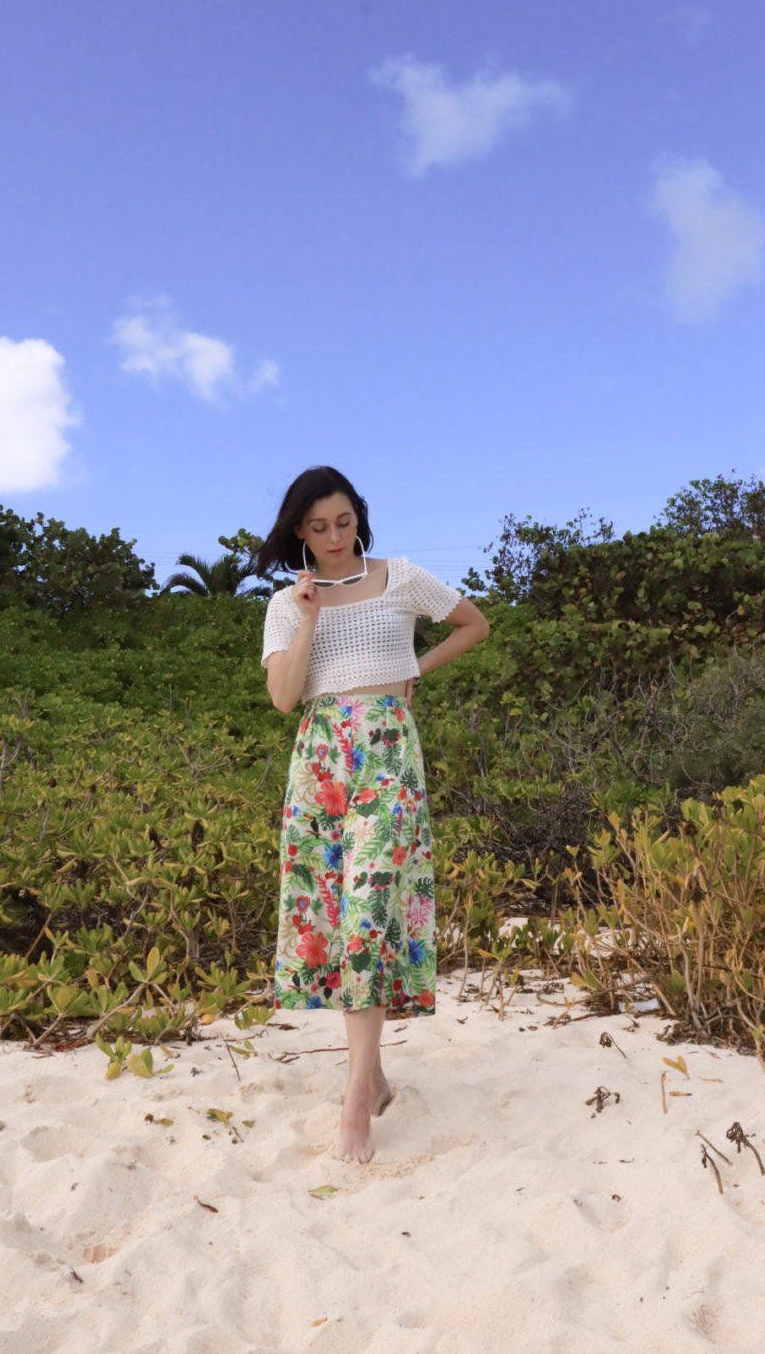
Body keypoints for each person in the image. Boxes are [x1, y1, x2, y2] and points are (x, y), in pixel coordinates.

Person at [255, 466, 490, 1162]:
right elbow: (284, 698)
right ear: (299, 531)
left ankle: (356, 1095)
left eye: (344, 522)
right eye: (318, 527)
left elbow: (474, 624)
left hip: (388, 753)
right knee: (335, 915)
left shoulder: (402, 577)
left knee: (370, 909)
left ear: (358, 516)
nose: (334, 537)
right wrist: (309, 616)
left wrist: (415, 670)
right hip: (321, 759)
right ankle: (376, 1075)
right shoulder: (285, 603)